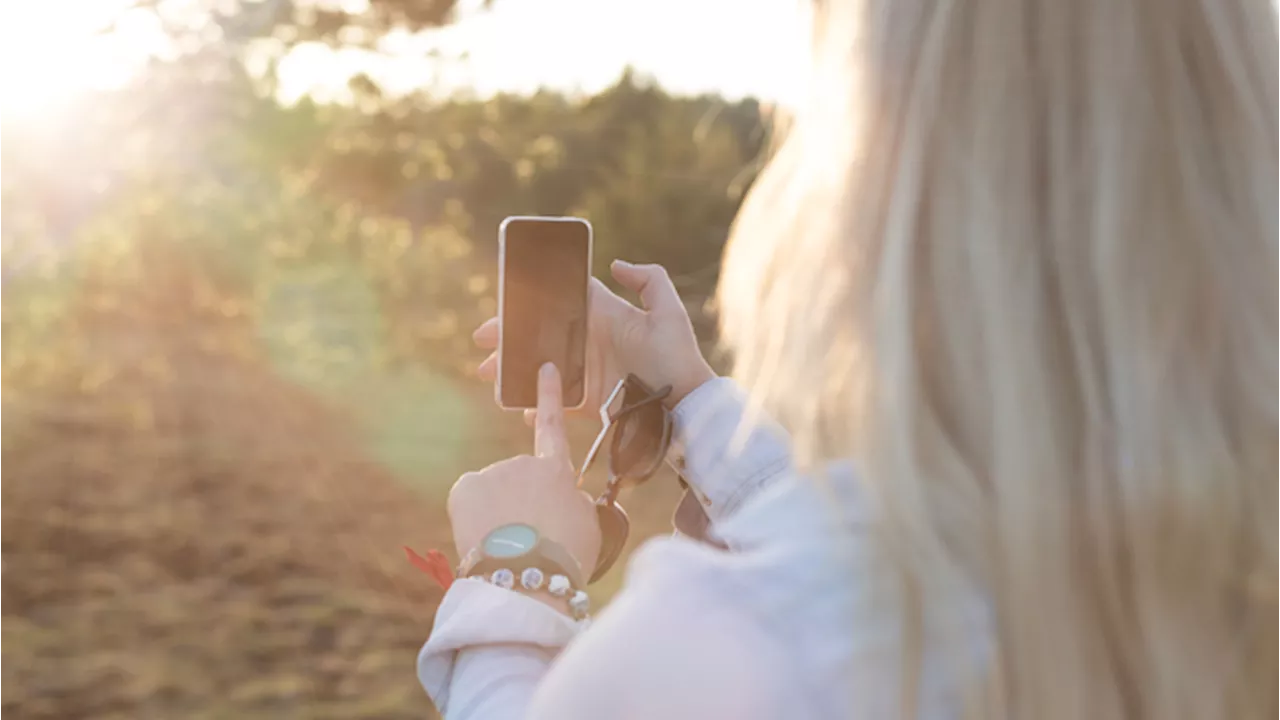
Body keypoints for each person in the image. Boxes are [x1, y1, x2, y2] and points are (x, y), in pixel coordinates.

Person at [419, 0, 1280, 717]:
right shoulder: (1221, 567)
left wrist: (514, 573)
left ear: (883, 179)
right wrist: (691, 400)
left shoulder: (733, 648)